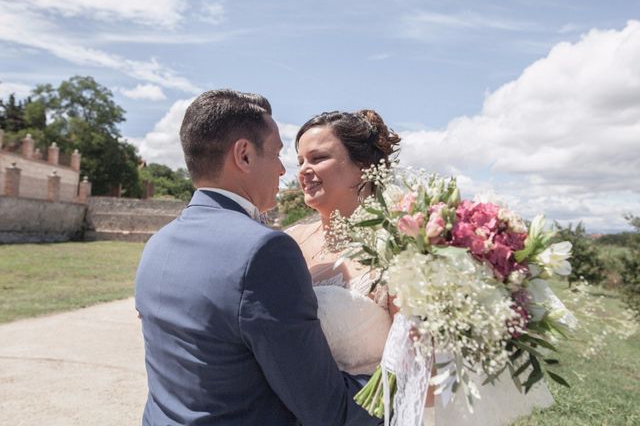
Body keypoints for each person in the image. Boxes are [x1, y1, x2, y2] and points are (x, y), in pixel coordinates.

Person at [288, 110, 554, 426]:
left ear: (363, 167)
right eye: (300, 160)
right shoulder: (286, 241)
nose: (304, 170)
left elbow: (425, 374)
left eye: (317, 158)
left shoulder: (402, 248)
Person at [135, 90, 383, 426]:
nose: (284, 170)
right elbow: (327, 409)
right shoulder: (265, 252)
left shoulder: (158, 245)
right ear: (244, 155)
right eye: (278, 154)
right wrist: (403, 385)